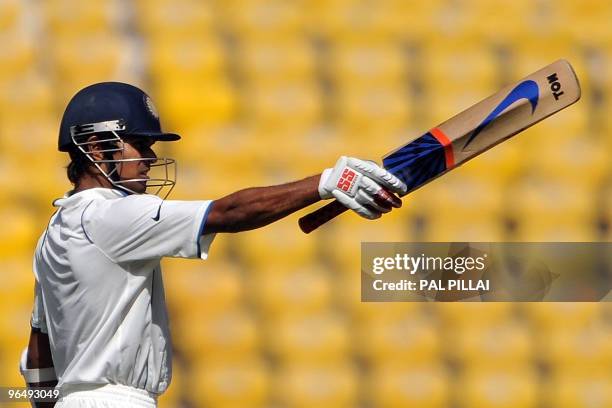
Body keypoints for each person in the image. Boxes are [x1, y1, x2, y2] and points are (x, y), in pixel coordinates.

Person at [21, 82, 407, 408]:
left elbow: (39, 355)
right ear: (96, 146)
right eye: (138, 143)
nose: (151, 158)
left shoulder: (53, 233)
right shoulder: (110, 217)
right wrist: (324, 183)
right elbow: (229, 212)